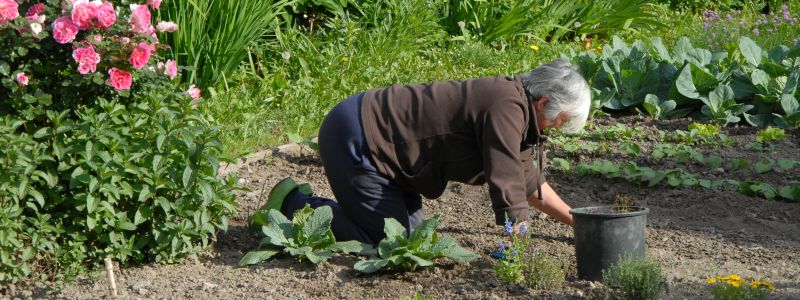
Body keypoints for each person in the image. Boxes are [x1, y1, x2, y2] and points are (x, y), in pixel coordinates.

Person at [261, 58, 591, 245]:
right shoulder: (505, 106)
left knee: (413, 237)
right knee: (386, 240)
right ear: (544, 102)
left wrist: (579, 223)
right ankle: (293, 204)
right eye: (559, 121)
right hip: (359, 139)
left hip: (389, 159)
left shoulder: (515, 110)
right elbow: (507, 184)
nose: (556, 128)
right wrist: (516, 244)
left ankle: (317, 206)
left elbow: (528, 182)